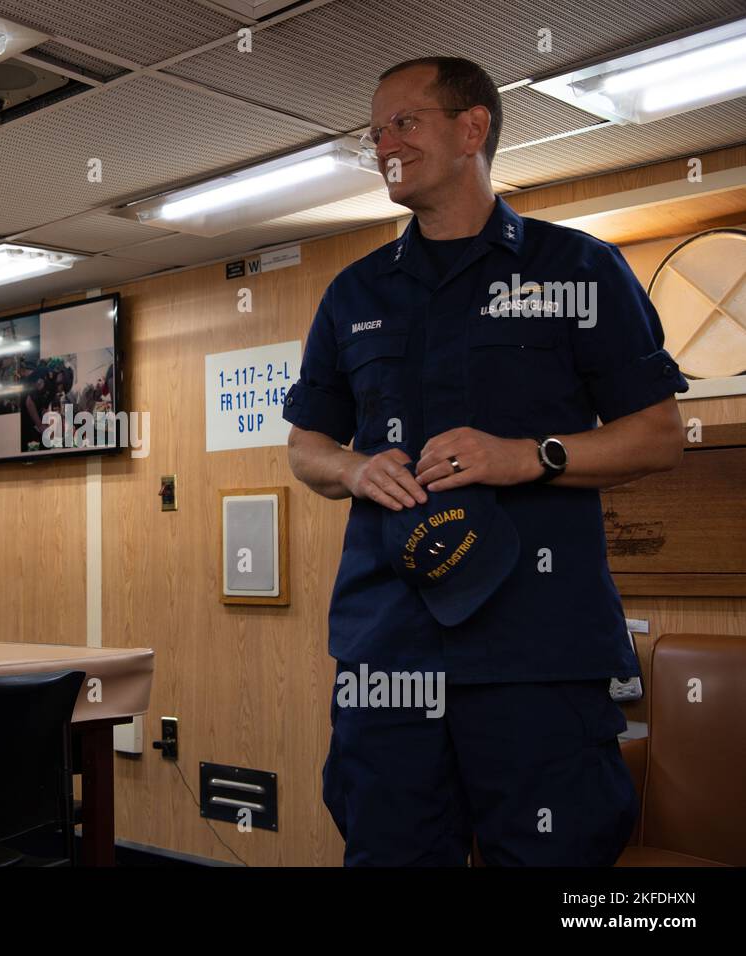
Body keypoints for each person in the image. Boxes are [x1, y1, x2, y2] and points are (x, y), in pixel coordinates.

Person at [283, 58, 688, 866]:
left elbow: (659, 433)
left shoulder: (579, 270)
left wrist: (529, 456)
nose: (384, 145)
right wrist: (356, 470)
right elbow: (307, 448)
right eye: (374, 134)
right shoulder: (354, 295)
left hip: (537, 653)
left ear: (474, 129)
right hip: (387, 652)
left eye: (405, 123)